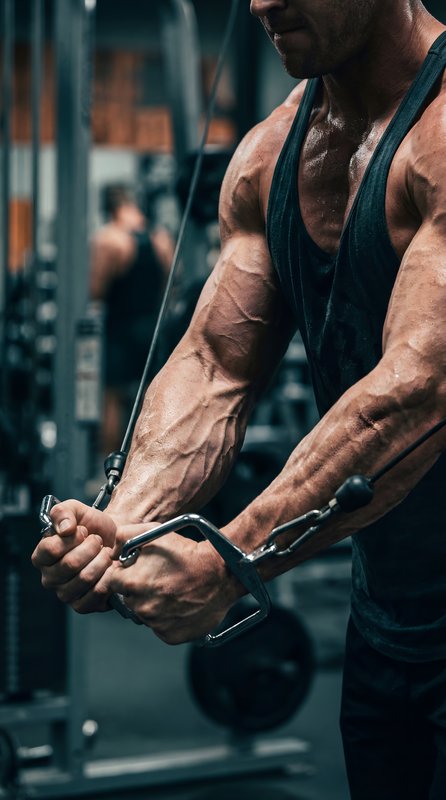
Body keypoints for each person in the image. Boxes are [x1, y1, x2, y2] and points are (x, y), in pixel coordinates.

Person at [32, 2, 446, 797]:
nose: (260, 3)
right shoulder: (271, 154)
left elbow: (415, 392)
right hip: (387, 621)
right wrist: (124, 520)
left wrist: (232, 560)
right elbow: (216, 364)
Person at [90, 185, 174, 455]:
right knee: (148, 400)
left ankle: (106, 471)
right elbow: (168, 285)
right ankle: (144, 465)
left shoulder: (109, 239)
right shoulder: (160, 239)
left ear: (109, 208)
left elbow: (95, 292)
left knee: (111, 397)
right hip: (150, 327)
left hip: (119, 329)